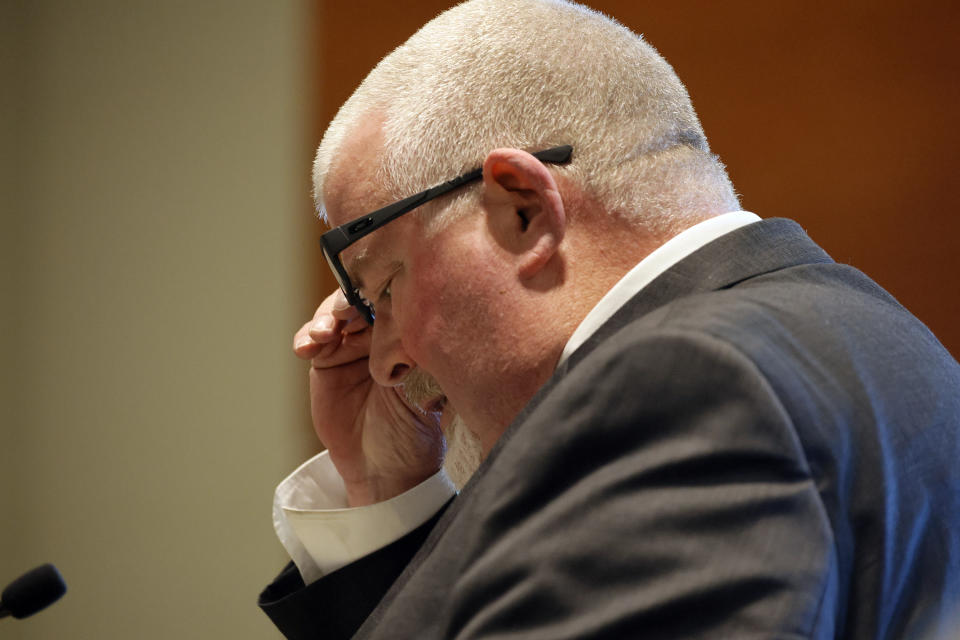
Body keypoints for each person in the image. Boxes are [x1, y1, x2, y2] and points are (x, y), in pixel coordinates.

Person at [258, 0, 960, 637]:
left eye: (382, 288)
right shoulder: (867, 331)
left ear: (522, 209)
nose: (385, 360)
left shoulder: (679, 391)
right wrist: (388, 496)